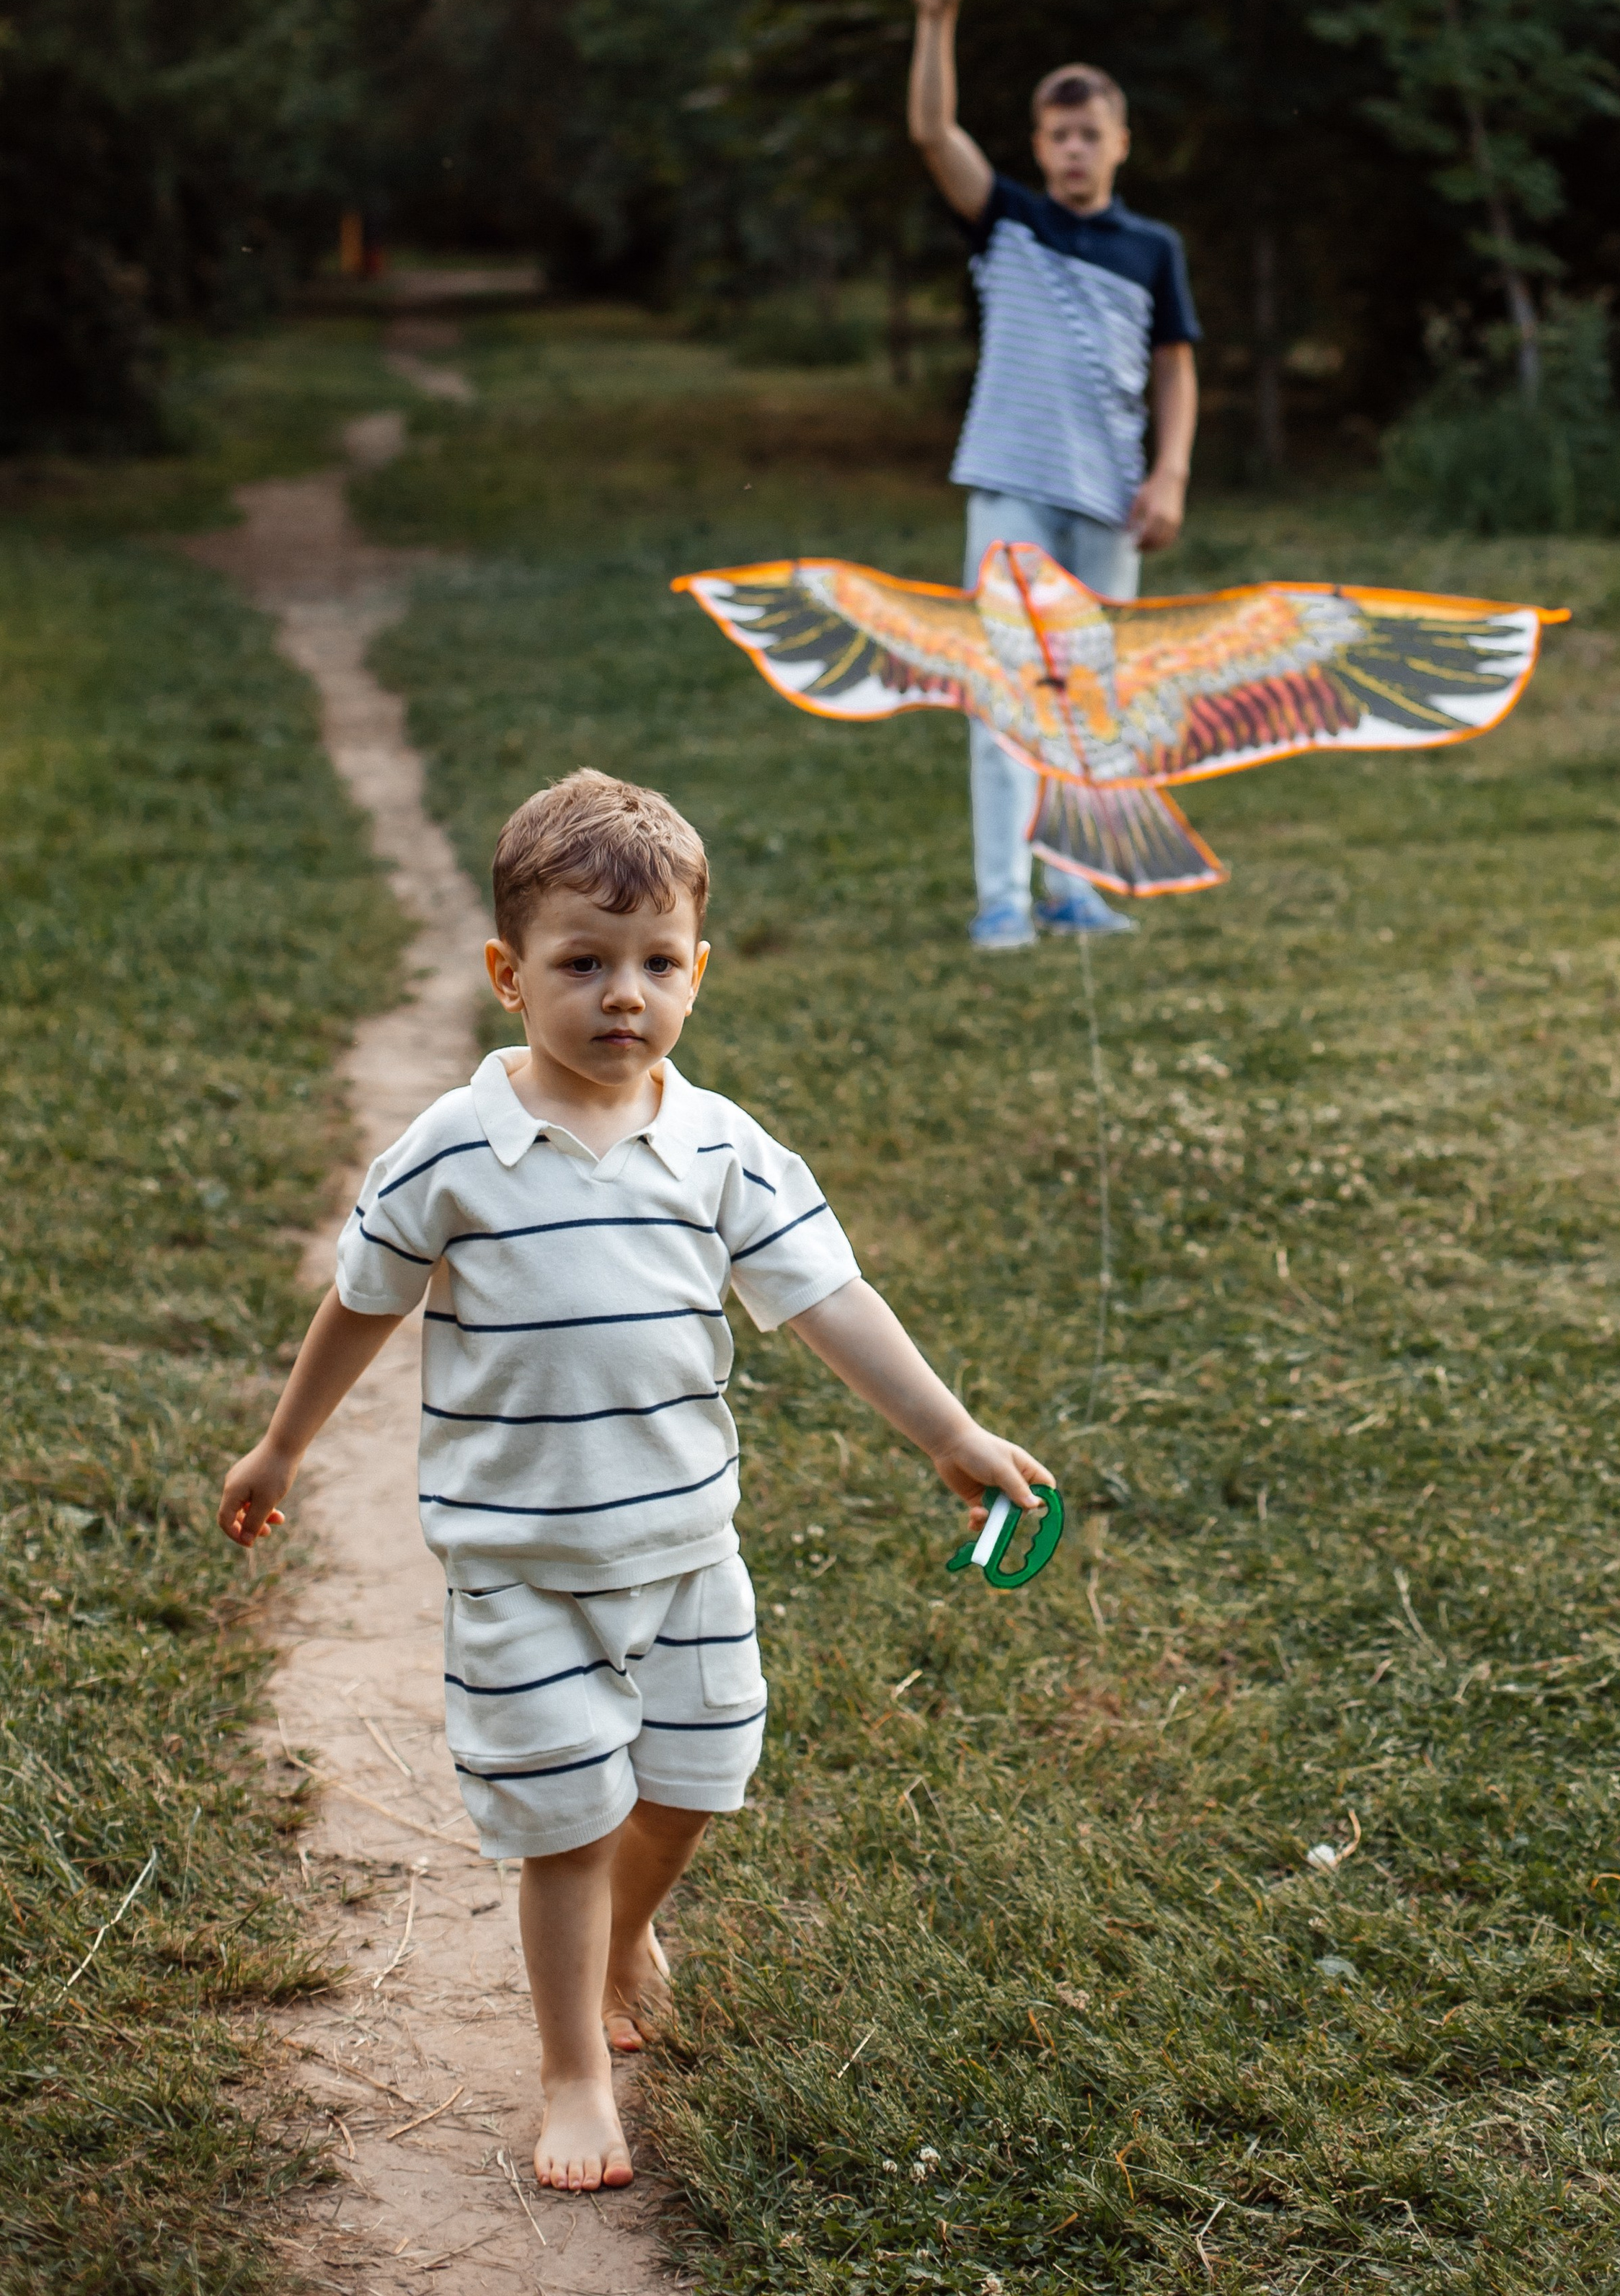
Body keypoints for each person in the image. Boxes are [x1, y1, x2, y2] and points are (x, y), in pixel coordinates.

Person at [218, 771, 1053, 2195]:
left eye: (658, 964)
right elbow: (361, 1300)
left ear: (697, 973)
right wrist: (282, 1444)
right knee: (565, 1821)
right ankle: (568, 2069)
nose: (625, 995)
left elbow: (829, 1299)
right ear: (507, 974)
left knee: (692, 1782)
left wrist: (948, 1432)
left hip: (684, 1548)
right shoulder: (453, 1153)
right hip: (523, 1560)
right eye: (583, 964)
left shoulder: (721, 1148)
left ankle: (624, 1933)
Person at [898, 0, 1203, 950]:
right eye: (1058, 134)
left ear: (1121, 144)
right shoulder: (1007, 222)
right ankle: (1003, 900)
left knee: (1093, 701)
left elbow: (1175, 365)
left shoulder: (1152, 248)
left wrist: (1170, 473)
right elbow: (934, 130)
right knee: (1004, 696)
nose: (1074, 149)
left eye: (1091, 134)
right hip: (1011, 487)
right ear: (1037, 144)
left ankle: (1076, 886)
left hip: (1109, 498)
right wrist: (938, 16)